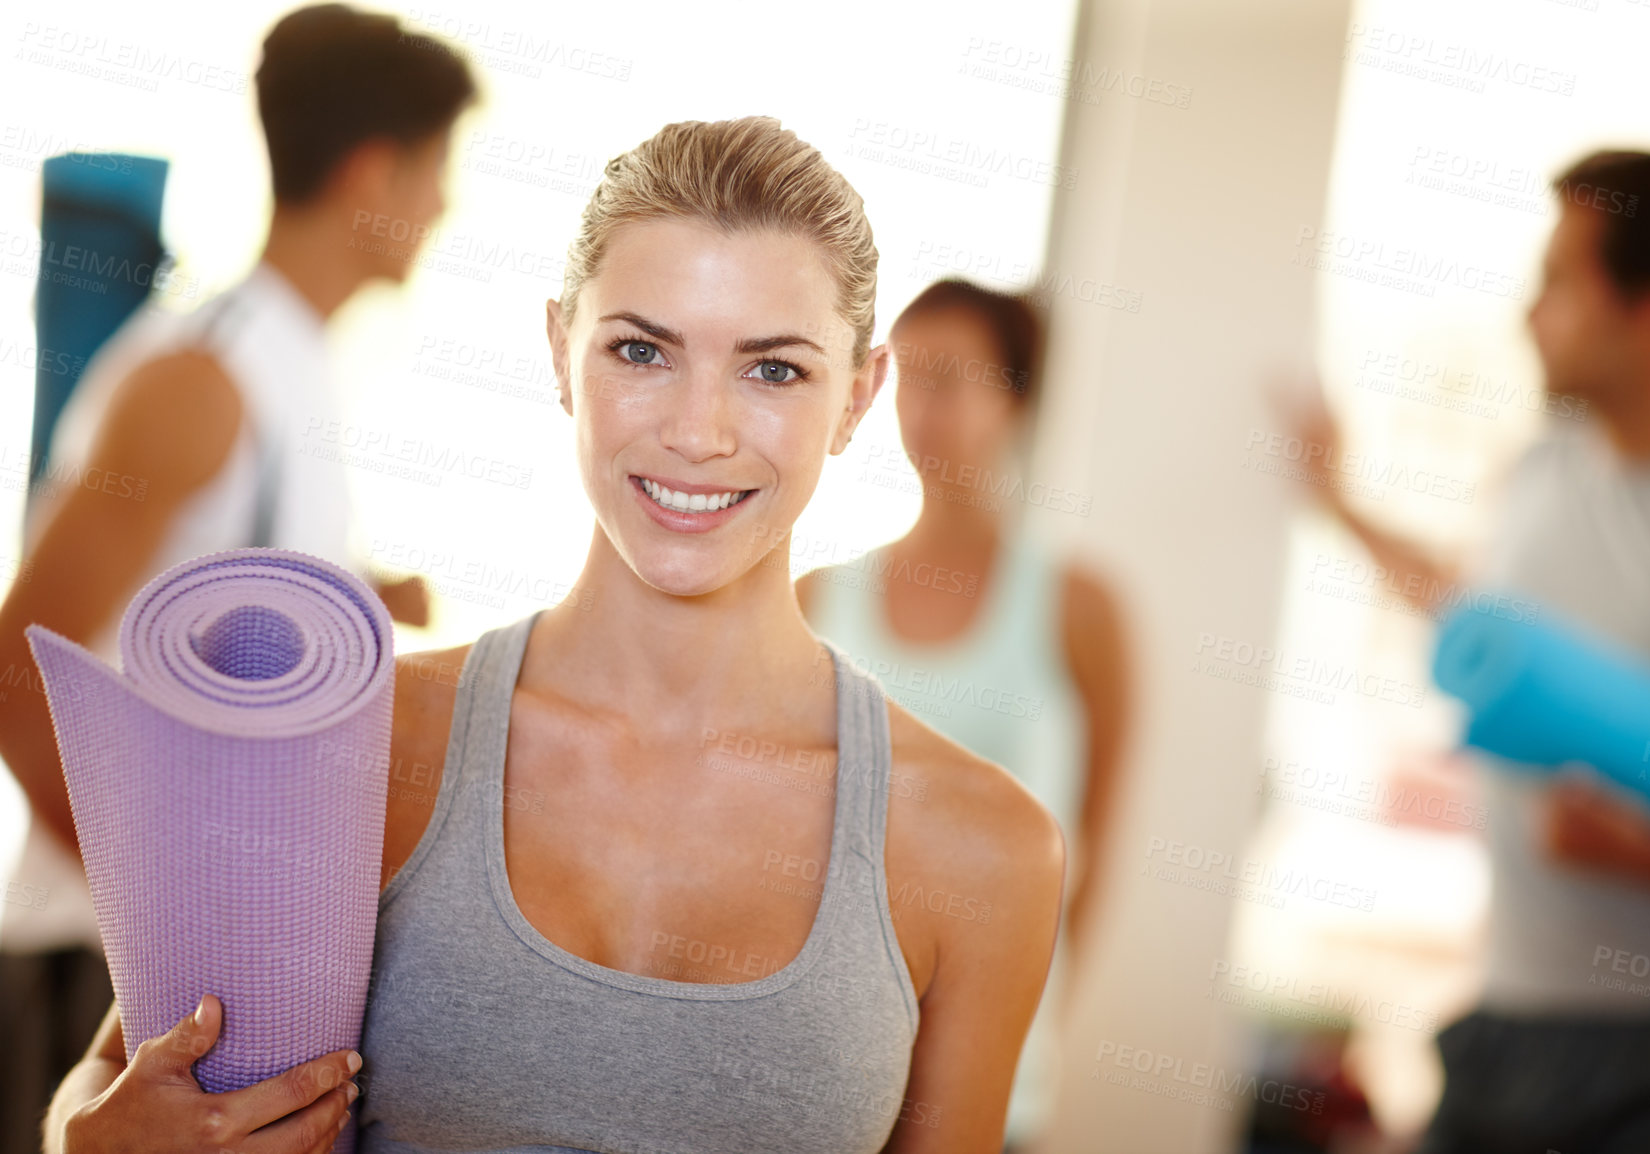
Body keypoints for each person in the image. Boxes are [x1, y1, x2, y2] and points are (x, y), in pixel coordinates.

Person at [44, 116, 1067, 1154]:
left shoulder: (982, 851)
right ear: (559, 352)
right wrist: (86, 1140)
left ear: (856, 397)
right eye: (640, 349)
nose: (697, 431)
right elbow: (120, 1075)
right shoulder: (370, 741)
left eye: (773, 371)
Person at [0, 5, 475, 1147]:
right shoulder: (202, 381)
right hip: (109, 995)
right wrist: (154, 939)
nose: (444, 210)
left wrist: (371, 592)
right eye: (434, 175)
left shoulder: (284, 368)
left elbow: (206, 599)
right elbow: (20, 664)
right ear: (373, 171)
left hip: (196, 994)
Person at [1297, 150, 1650, 1152]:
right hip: (1502, 1013)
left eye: (1558, 286)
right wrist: (1331, 497)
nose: (1528, 315)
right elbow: (1470, 614)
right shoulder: (1537, 473)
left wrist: (1642, 853)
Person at [795, 278, 1132, 1151]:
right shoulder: (818, 600)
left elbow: (1097, 837)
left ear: (1016, 398)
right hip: (826, 1051)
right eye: (912, 377)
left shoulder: (1080, 609)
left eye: (954, 378)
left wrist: (1035, 1020)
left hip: (995, 1055)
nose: (925, 407)